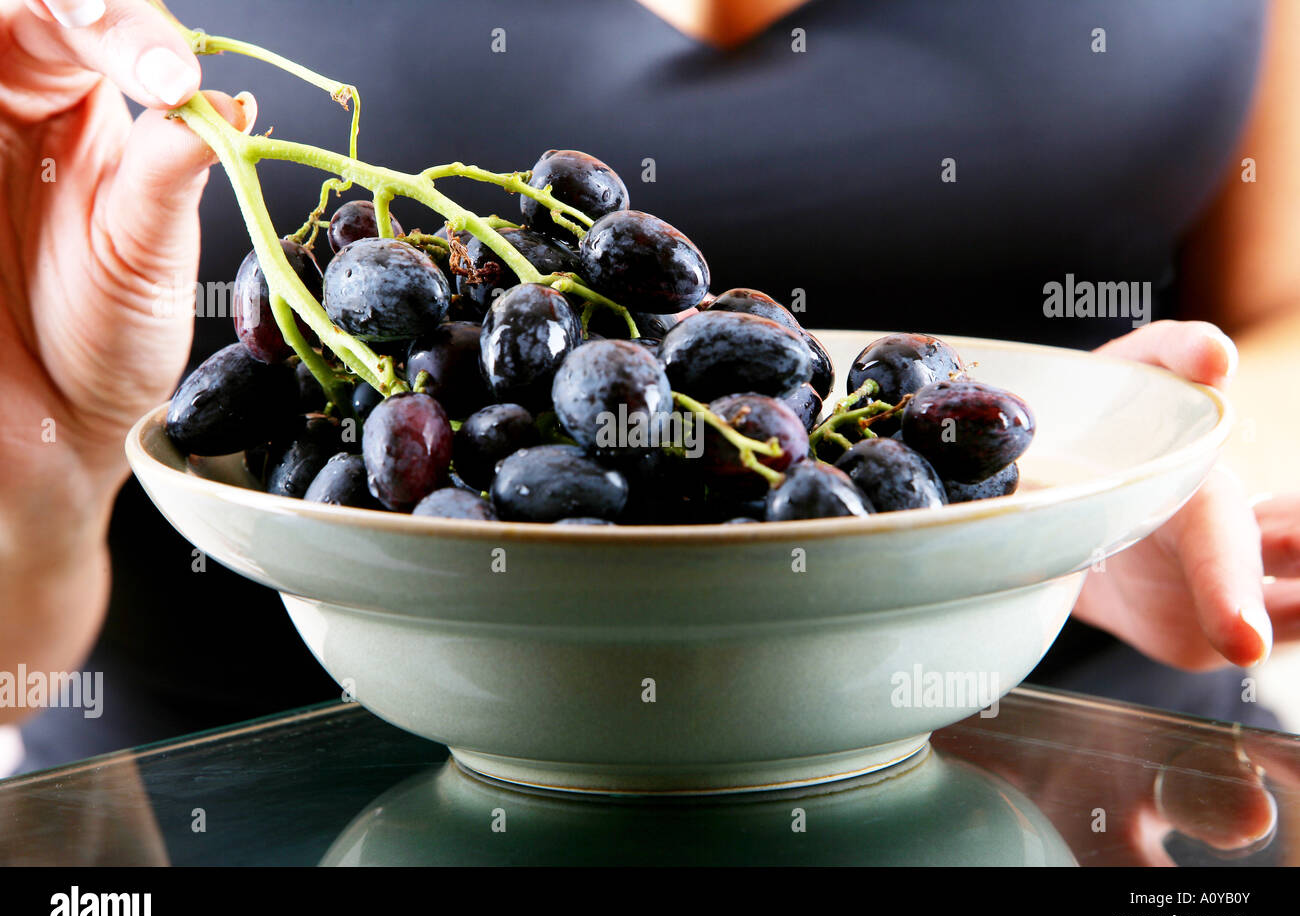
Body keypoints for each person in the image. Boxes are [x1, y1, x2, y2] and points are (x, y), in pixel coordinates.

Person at [1, 0, 1296, 776]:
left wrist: (1111, 474)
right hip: (219, 824)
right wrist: (38, 482)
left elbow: (1275, 309)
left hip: (1091, 773)